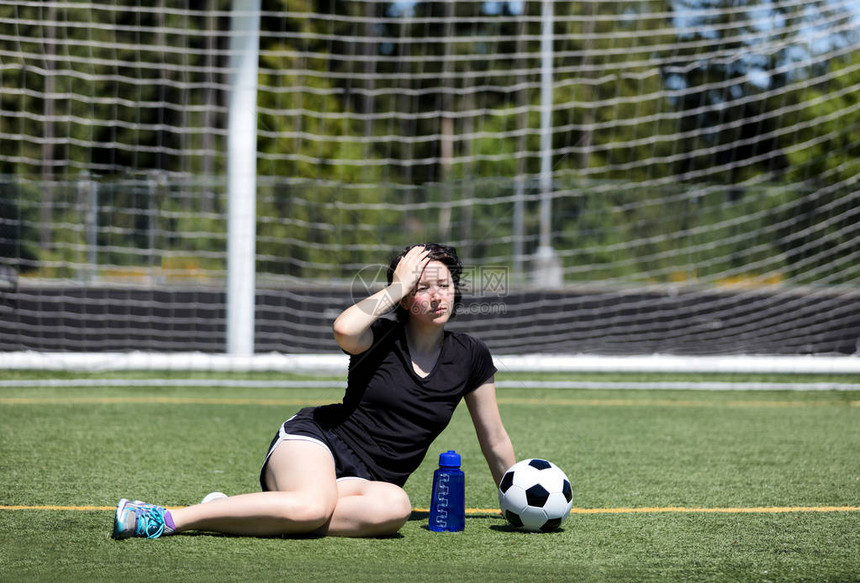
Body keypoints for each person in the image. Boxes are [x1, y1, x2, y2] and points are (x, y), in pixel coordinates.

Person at [112, 243, 516, 539]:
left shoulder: (471, 355)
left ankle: (236, 510)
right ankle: (167, 518)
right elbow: (343, 329)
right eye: (422, 287)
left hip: (370, 484)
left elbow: (494, 438)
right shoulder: (378, 336)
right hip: (317, 441)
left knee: (396, 507)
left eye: (443, 285)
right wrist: (395, 287)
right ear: (406, 297)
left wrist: (512, 499)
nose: (435, 296)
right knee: (312, 506)